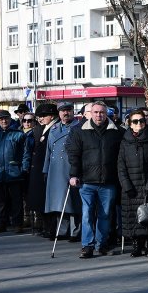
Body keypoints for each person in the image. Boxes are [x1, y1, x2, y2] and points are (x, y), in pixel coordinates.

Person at [68, 100, 124, 258]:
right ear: (90, 113)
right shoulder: (79, 131)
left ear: (107, 114)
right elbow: (74, 155)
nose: (99, 115)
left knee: (105, 214)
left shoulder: (117, 131)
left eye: (102, 112)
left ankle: (102, 244)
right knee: (87, 214)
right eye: (96, 112)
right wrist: (73, 175)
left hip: (108, 181)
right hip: (87, 181)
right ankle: (87, 246)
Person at [118, 108, 148, 257]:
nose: (138, 124)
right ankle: (137, 246)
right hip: (131, 186)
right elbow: (121, 166)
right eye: (135, 121)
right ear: (130, 124)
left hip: (147, 185)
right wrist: (126, 185)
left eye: (141, 121)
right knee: (133, 217)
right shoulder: (125, 141)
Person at [0, 110, 31, 233]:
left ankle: (17, 224)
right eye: (1, 119)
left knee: (16, 201)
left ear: (10, 119)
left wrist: (24, 168)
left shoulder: (18, 134)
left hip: (14, 172)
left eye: (6, 119)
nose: (4, 121)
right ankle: (0, 223)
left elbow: (26, 153)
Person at [44, 103, 82, 241]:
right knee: (59, 202)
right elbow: (48, 151)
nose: (65, 113)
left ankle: (75, 231)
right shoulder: (53, 129)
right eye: (62, 111)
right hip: (55, 170)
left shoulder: (79, 127)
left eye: (68, 110)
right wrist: (46, 169)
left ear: (73, 111)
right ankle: (62, 229)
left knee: (73, 202)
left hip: (71, 167)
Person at [25, 103, 58, 236]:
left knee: (47, 200)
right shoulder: (43, 128)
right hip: (39, 169)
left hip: (46, 169)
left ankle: (50, 228)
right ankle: (45, 227)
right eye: (40, 116)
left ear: (51, 116)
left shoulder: (54, 129)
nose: (41, 118)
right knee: (40, 200)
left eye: (43, 116)